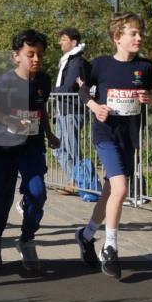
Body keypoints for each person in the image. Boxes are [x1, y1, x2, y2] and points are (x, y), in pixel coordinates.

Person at [75, 12, 152, 279]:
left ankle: (86, 234)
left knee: (110, 192)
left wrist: (151, 99)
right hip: (105, 135)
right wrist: (95, 106)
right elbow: (82, 91)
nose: (139, 37)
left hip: (130, 138)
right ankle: (110, 247)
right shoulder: (101, 65)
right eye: (133, 33)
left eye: (140, 33)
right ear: (117, 38)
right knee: (122, 188)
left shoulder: (146, 67)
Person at [0, 29, 61, 271]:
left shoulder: (44, 80)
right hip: (5, 147)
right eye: (30, 54)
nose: (36, 59)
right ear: (16, 56)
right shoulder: (5, 81)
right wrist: (10, 122)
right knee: (2, 196)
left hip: (32, 146)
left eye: (39, 54)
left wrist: (49, 133)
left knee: (37, 193)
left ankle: (26, 239)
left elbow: (42, 109)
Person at [54, 28, 91, 195]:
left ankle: (82, 183)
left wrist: (49, 91)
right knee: (58, 148)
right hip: (63, 110)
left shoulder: (77, 62)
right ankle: (75, 181)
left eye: (63, 39)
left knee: (72, 149)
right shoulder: (68, 61)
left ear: (74, 42)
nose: (60, 42)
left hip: (73, 110)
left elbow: (69, 87)